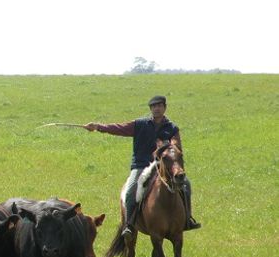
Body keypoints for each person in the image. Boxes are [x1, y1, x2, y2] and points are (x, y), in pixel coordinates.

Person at [83, 95, 201, 239]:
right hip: (141, 165)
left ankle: (187, 219)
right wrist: (98, 126)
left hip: (163, 165)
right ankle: (129, 225)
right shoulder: (139, 124)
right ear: (150, 109)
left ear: (165, 107)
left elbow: (176, 145)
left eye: (159, 105)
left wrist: (169, 148)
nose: (157, 108)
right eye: (154, 106)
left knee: (186, 184)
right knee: (131, 190)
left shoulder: (172, 128)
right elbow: (119, 128)